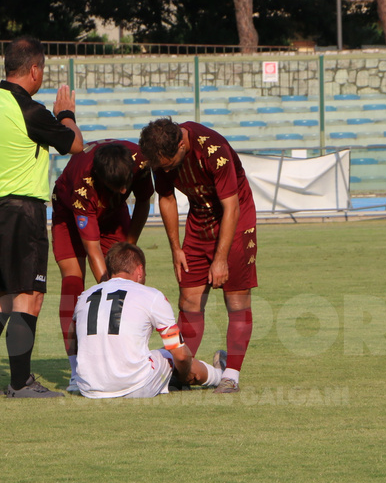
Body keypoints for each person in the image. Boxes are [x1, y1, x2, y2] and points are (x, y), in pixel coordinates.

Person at [0, 35, 84, 399]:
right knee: (30, 295)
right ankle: (20, 382)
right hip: (22, 211)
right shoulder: (30, 109)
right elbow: (76, 145)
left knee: (4, 295)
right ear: (34, 70)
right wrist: (66, 114)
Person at [138, 118, 257, 394]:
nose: (166, 171)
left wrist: (220, 259)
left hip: (236, 219)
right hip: (199, 221)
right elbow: (166, 198)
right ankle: (182, 373)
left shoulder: (214, 150)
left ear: (182, 145)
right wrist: (176, 248)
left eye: (169, 165)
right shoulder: (161, 154)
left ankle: (231, 376)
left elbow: (231, 207)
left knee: (236, 301)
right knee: (189, 301)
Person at [50, 140, 153, 390]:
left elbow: (142, 201)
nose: (124, 190)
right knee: (73, 283)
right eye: (118, 186)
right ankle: (76, 370)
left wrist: (128, 246)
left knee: (127, 272)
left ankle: (126, 358)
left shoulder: (140, 161)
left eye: (126, 184)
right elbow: (92, 248)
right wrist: (109, 288)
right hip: (68, 213)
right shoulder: (82, 186)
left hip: (113, 213)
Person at [69, 241, 224, 399]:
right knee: (172, 354)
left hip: (89, 388)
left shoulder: (85, 296)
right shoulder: (150, 295)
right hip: (135, 386)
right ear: (140, 270)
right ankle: (220, 375)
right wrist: (183, 376)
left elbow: (72, 336)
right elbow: (181, 355)